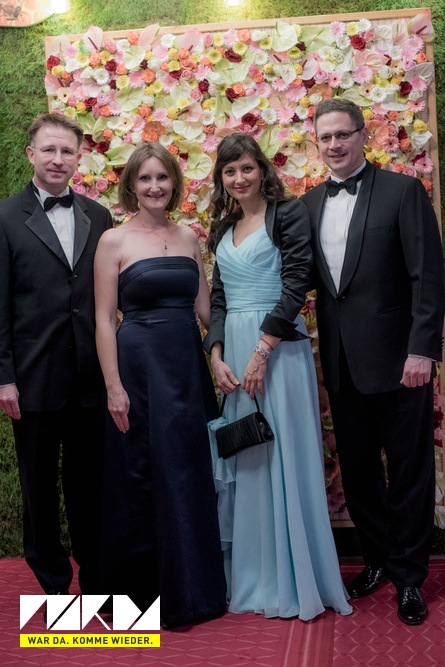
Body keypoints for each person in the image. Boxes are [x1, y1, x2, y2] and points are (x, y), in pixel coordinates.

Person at [301, 98, 444, 625]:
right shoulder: (308, 204)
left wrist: (422, 348)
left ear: (364, 135)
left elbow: (427, 275)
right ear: (316, 144)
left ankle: (410, 577)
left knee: (408, 470)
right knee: (359, 473)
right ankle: (378, 559)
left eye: (343, 134)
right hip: (342, 363)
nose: (334, 144)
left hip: (401, 360)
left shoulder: (403, 191)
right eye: (325, 137)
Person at [204, 132, 352, 621]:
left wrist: (262, 350)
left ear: (262, 169)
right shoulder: (223, 224)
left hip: (278, 350)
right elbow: (219, 298)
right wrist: (216, 354)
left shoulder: (287, 214)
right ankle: (253, 575)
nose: (239, 178)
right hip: (234, 353)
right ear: (221, 178)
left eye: (247, 167)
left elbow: (296, 284)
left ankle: (293, 578)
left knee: (283, 451)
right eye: (230, 171)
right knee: (248, 455)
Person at [94, 142, 227, 629]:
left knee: (188, 472)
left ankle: (195, 590)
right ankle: (144, 597)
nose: (155, 186)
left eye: (162, 177)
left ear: (175, 182)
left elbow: (205, 311)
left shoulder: (189, 237)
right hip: (138, 369)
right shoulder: (113, 241)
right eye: (145, 178)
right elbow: (103, 320)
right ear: (132, 185)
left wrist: (226, 351)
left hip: (185, 369)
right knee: (142, 475)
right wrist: (114, 386)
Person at [0, 113, 112, 597]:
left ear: (79, 157)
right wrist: (4, 377)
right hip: (33, 379)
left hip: (90, 379)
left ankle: (98, 583)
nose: (58, 159)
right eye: (49, 149)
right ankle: (53, 587)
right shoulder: (5, 217)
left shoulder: (99, 215)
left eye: (67, 151)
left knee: (91, 488)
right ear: (31, 154)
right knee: (39, 490)